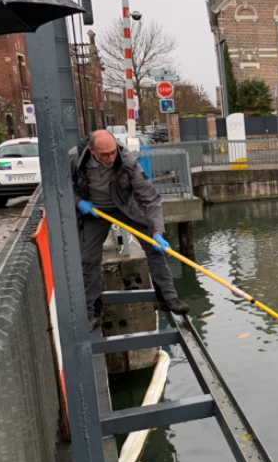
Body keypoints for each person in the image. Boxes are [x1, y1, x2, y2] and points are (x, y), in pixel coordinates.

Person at [70, 130, 189, 330]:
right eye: (104, 155)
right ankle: (92, 312)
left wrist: (157, 232)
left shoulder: (126, 160)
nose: (110, 158)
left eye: (112, 153)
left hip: (125, 207)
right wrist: (79, 201)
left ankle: (168, 298)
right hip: (94, 212)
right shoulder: (75, 157)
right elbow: (60, 185)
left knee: (154, 247)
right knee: (88, 259)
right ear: (92, 151)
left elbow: (149, 198)